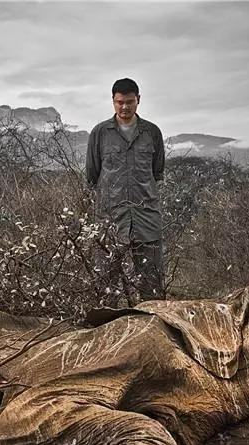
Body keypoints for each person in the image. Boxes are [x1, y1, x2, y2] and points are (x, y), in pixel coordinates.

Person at [86, 78, 166, 301]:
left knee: (151, 283)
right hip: (110, 218)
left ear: (138, 100)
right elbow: (92, 175)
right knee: (105, 284)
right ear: (113, 101)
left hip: (146, 218)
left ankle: (153, 330)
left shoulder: (152, 133)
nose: (124, 107)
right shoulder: (100, 134)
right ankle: (105, 330)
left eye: (129, 102)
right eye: (119, 102)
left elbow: (157, 173)